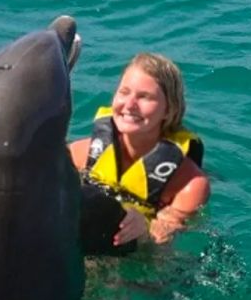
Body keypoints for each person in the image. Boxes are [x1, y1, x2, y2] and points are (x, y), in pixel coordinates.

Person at [69, 52, 210, 248]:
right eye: (124, 92)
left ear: (169, 110)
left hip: (138, 261)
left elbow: (163, 241)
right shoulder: (78, 154)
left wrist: (144, 228)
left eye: (145, 97)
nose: (129, 105)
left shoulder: (190, 185)